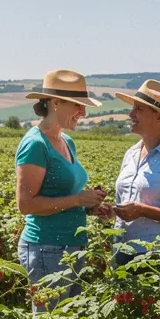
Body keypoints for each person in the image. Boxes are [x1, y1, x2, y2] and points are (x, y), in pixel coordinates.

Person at [15, 70, 105, 297]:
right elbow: (26, 205)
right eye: (77, 105)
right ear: (55, 103)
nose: (83, 112)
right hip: (47, 248)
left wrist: (90, 204)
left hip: (71, 246)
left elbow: (66, 195)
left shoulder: (66, 141)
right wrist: (77, 200)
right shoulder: (36, 144)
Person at [96, 79, 160, 266]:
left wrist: (143, 211)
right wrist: (113, 211)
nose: (130, 113)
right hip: (122, 250)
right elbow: (130, 203)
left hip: (158, 258)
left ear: (159, 116)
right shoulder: (132, 153)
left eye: (139, 109)